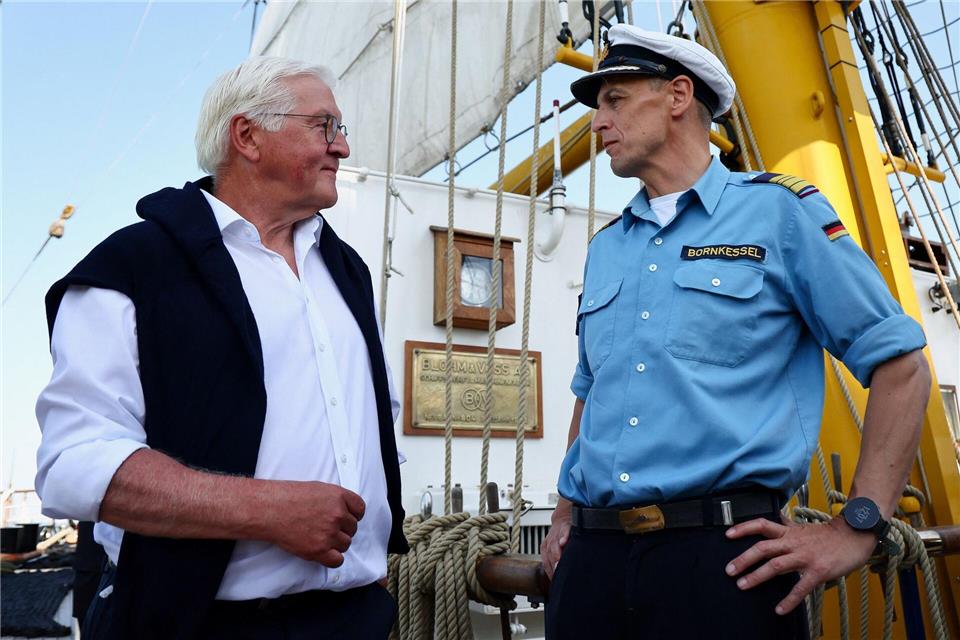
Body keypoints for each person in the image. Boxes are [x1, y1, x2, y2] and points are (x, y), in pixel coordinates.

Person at [540, 25, 931, 639]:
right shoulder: (607, 247)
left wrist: (857, 526)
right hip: (593, 564)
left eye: (615, 100)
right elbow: (591, 391)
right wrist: (564, 517)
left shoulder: (781, 213)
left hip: (726, 563)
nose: (598, 122)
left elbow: (901, 365)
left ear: (676, 96)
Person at [35, 57, 407, 640]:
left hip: (355, 618)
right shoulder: (134, 267)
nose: (343, 147)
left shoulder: (347, 274)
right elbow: (72, 465)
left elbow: (376, 427)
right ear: (248, 136)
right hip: (197, 625)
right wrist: (268, 511)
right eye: (325, 127)